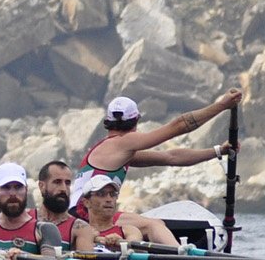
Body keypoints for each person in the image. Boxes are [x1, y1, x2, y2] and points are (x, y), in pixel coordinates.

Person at [71, 91, 241, 245]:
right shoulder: (123, 142)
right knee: (153, 226)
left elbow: (171, 157)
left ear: (107, 123)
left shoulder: (112, 150)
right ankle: (181, 259)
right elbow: (179, 125)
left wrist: (218, 151)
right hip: (86, 213)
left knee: (151, 225)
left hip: (81, 212)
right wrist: (222, 105)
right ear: (136, 121)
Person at [72, 174, 145, 250]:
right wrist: (87, 237)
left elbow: (136, 249)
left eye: (113, 194)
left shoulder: (129, 231)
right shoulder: (78, 232)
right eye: (101, 194)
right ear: (86, 202)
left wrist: (121, 242)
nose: (109, 199)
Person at [34, 160, 84, 251]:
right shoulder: (26, 219)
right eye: (57, 182)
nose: (63, 189)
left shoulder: (80, 228)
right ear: (42, 186)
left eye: (67, 183)